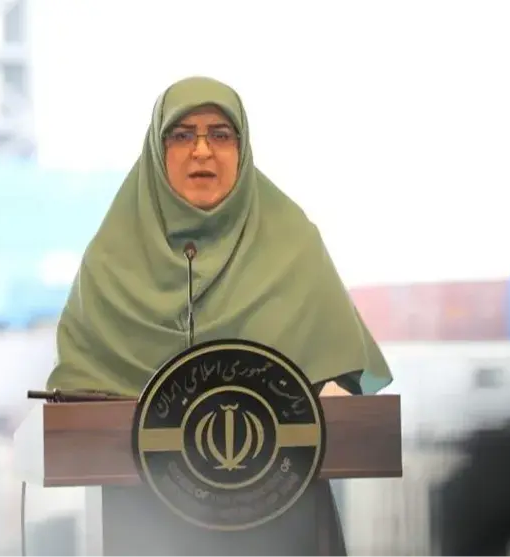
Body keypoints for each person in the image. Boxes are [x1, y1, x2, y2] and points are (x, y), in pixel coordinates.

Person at [47, 76, 393, 557]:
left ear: (242, 148)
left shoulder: (293, 245)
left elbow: (346, 378)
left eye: (220, 134)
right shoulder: (109, 264)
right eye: (182, 135)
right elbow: (78, 393)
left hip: (281, 519)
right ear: (157, 151)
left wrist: (335, 388)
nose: (202, 151)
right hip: (149, 527)